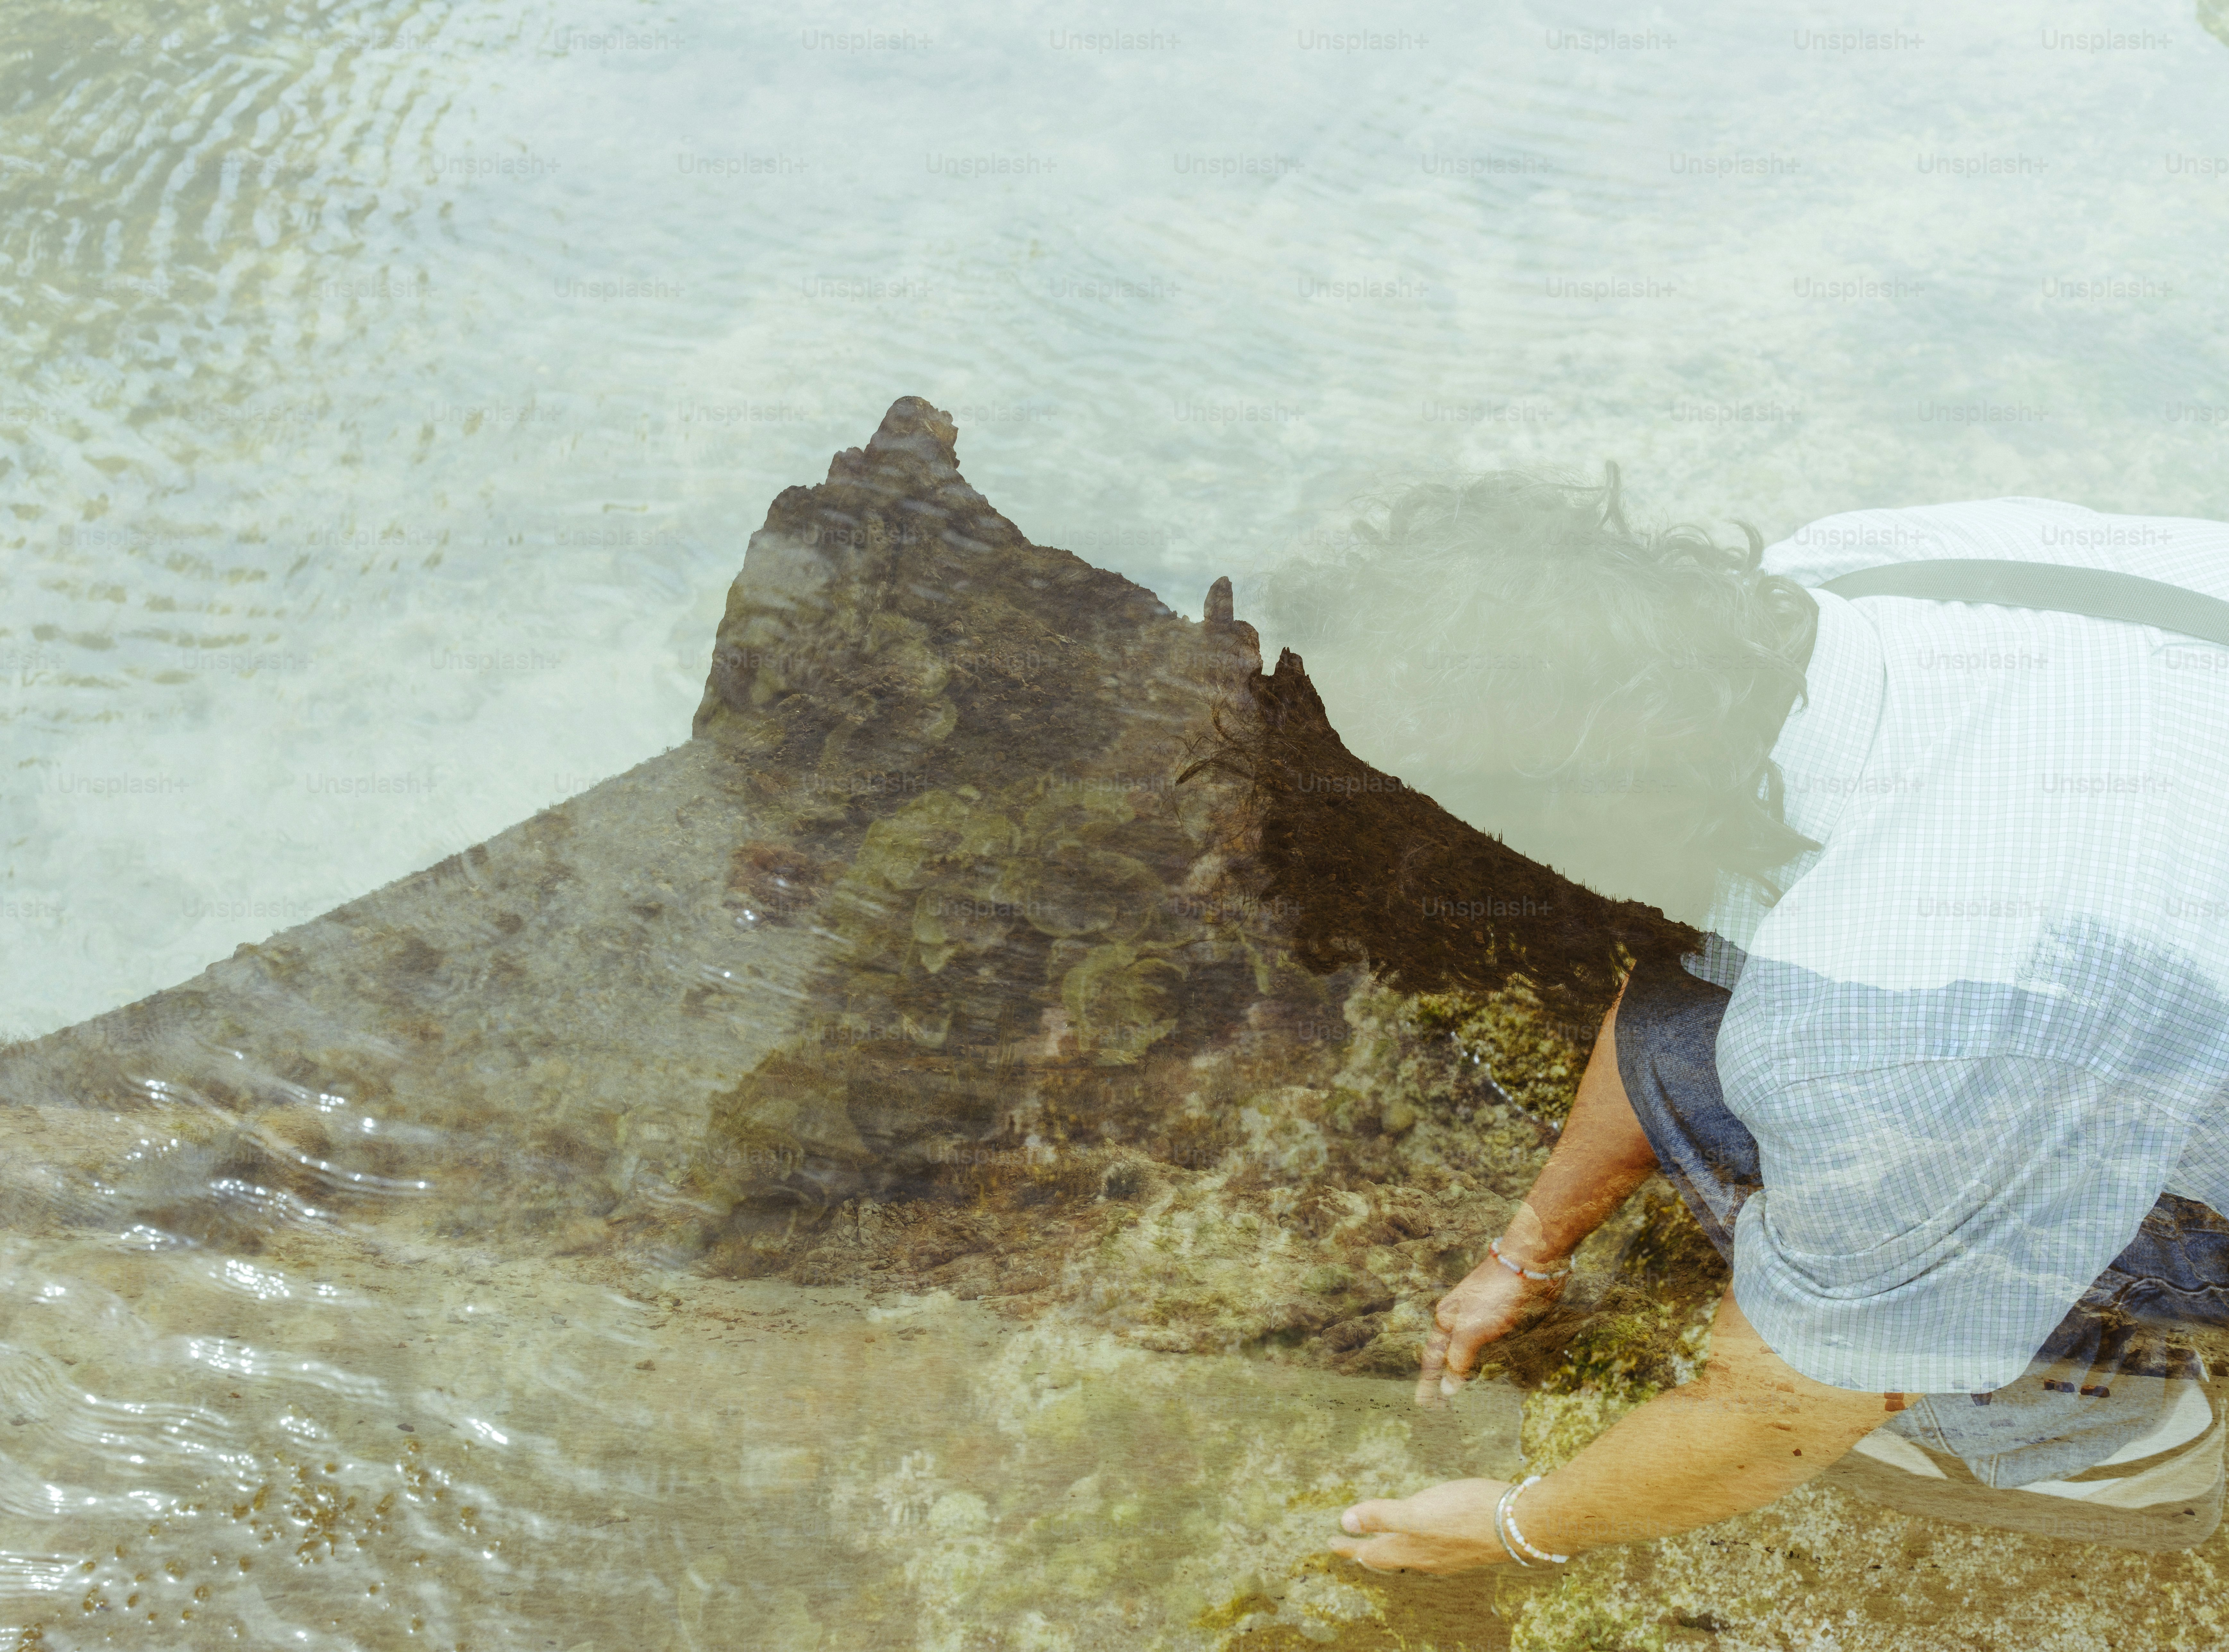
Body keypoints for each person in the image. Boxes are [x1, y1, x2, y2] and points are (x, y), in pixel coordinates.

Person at [1255, 477, 2229, 1572]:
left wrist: (1512, 1528)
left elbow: (1779, 1413)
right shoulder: (1854, 566)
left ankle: (2097, 1441)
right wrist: (1526, 1253)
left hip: (2046, 1018)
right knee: (1701, 1015)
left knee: (1838, 1185)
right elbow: (1675, 965)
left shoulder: (1903, 1036)